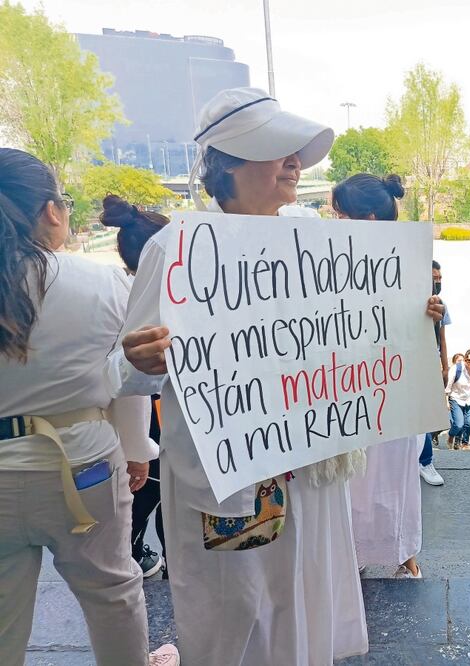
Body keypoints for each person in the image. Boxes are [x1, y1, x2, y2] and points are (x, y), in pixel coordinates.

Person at [106, 87, 402, 665]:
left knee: (302, 598)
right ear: (228, 163)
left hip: (310, 464)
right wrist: (137, 360)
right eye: (276, 150)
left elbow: (354, 326)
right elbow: (126, 372)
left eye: (295, 152)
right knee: (236, 609)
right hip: (233, 472)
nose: (293, 162)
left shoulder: (314, 236)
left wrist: (411, 315)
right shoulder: (178, 248)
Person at [0, 149, 178, 666]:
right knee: (112, 591)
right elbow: (128, 378)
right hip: (85, 468)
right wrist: (137, 449)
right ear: (51, 211)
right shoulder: (103, 283)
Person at [331, 172, 425, 579]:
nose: (336, 223)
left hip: (392, 383)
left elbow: (418, 317)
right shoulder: (332, 259)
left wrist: (431, 312)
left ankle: (403, 554)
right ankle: (364, 552)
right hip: (354, 383)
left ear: (367, 220)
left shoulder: (407, 259)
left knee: (391, 473)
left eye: (341, 215)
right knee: (358, 476)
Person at [101, 195, 169, 578]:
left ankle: (133, 551)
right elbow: (133, 389)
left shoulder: (117, 290)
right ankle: (137, 554)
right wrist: (139, 448)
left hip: (127, 427)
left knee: (143, 497)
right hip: (153, 421)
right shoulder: (158, 297)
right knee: (152, 493)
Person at [418, 260, 451, 486]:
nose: (437, 282)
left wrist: (445, 366)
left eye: (439, 278)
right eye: (433, 278)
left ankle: (425, 461)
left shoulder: (440, 304)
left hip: (429, 363)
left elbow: (442, 338)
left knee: (425, 415)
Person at [445, 353, 470, 449]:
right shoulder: (456, 369)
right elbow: (448, 386)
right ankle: (451, 435)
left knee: (468, 423)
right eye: (469, 360)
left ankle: (465, 443)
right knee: (459, 424)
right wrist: (446, 401)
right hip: (456, 399)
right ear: (465, 359)